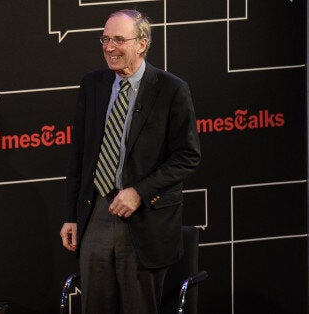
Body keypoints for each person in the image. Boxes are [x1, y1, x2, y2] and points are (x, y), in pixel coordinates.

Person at [60, 9, 201, 313]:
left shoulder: (171, 89)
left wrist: (140, 191)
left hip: (145, 220)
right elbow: (79, 156)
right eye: (105, 39)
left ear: (142, 43)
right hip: (96, 213)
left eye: (119, 40)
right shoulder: (93, 85)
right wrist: (71, 215)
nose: (109, 47)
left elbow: (187, 156)